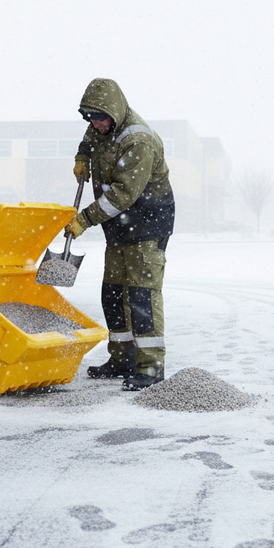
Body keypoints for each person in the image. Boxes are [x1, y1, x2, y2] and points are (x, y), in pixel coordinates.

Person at [65, 78, 175, 391]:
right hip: (117, 223)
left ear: (114, 112)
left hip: (146, 219)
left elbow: (123, 194)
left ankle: (150, 367)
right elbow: (90, 136)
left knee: (141, 293)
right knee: (113, 292)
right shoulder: (101, 124)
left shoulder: (137, 140)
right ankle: (122, 359)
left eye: (100, 118)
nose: (95, 124)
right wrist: (82, 156)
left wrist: (83, 220)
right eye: (90, 118)